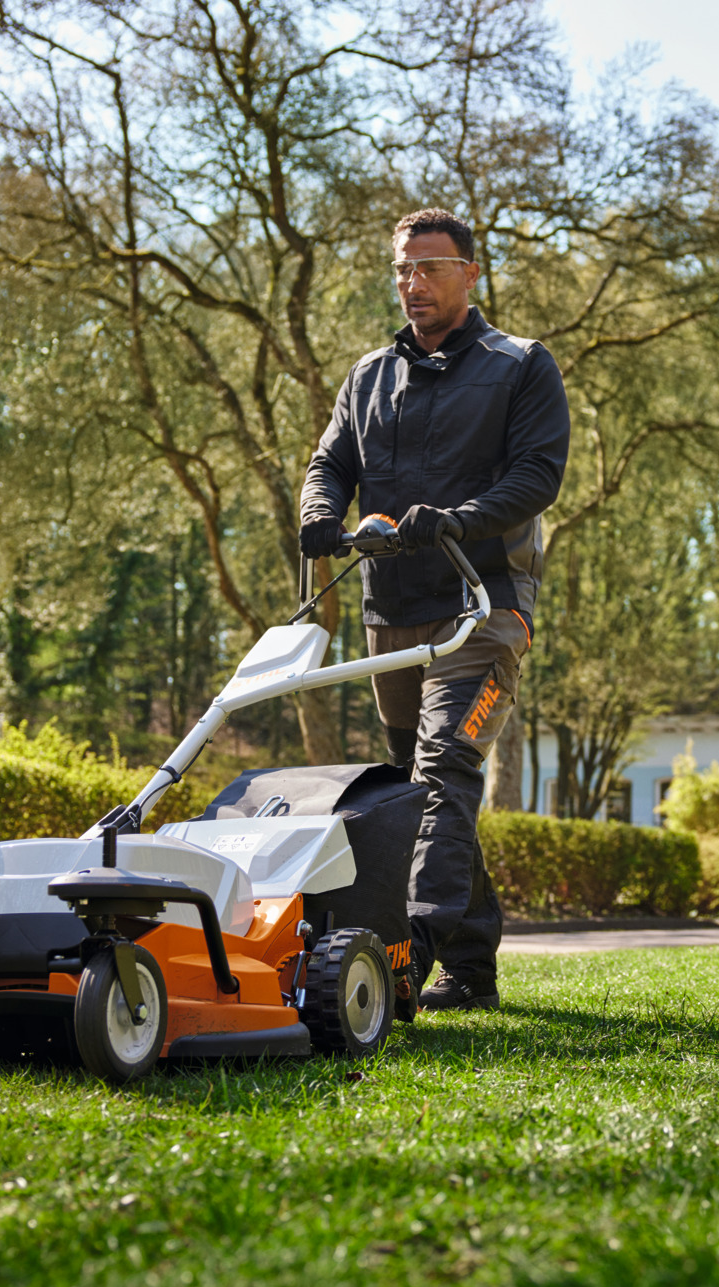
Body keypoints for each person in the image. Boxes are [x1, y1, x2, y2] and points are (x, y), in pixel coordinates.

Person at [298, 208, 569, 1012]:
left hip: (483, 604)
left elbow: (537, 477)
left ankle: (406, 956)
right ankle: (473, 970)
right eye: (404, 270)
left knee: (445, 765)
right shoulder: (368, 377)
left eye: (432, 268)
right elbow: (330, 459)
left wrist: (454, 518)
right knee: (422, 792)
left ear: (471, 273)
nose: (415, 283)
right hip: (394, 617)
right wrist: (320, 512)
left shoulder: (519, 365)